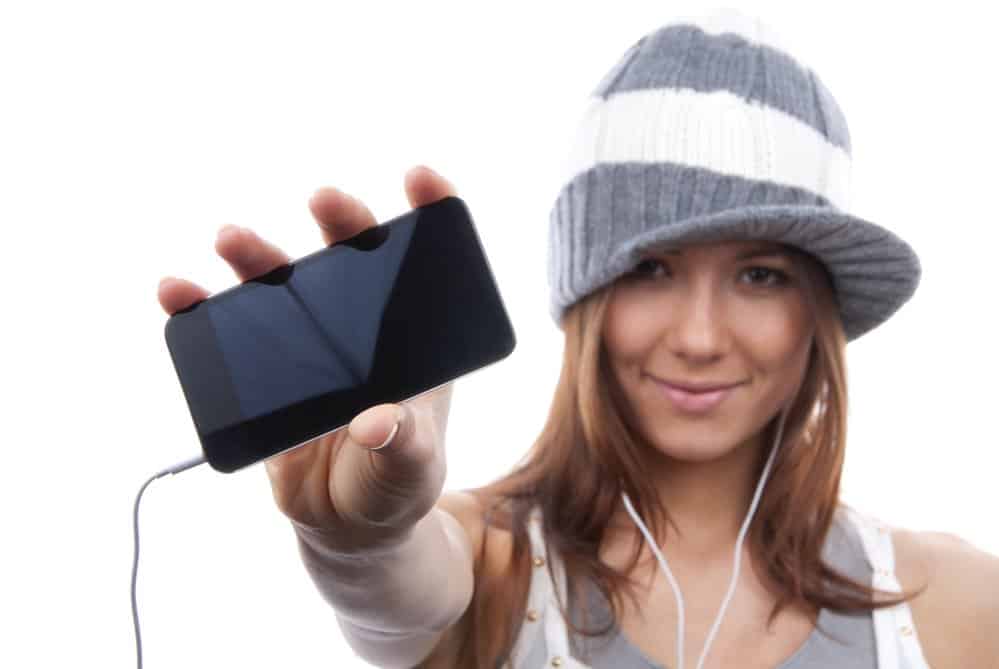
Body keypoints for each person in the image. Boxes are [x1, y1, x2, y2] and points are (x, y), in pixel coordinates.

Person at [157, 9, 999, 669]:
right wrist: (357, 543)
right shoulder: (489, 567)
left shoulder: (952, 604)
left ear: (817, 308)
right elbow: (400, 596)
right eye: (651, 269)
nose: (700, 337)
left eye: (760, 275)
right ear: (587, 293)